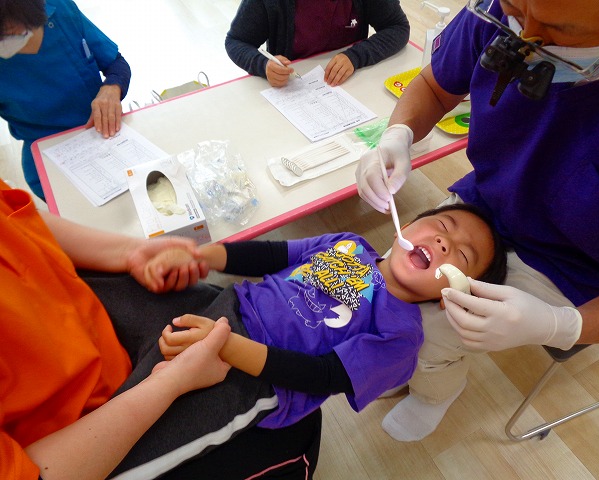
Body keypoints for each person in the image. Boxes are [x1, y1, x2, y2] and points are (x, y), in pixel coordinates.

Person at [355, 0, 599, 442]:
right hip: (486, 202)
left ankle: (434, 392)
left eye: (559, 29)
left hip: (574, 266)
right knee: (390, 280)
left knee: (431, 329)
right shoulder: (499, 13)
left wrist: (563, 326)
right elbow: (435, 85)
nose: (523, 35)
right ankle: (399, 358)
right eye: (514, 11)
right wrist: (399, 134)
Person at [0, 177, 324, 480]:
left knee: (262, 359)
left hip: (89, 324)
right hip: (76, 440)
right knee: (291, 415)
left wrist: (130, 252)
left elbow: (17, 217)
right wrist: (173, 381)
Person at [138, 203, 507, 451]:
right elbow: (272, 255)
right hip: (227, 310)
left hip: (258, 383)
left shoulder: (402, 338)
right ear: (405, 227)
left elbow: (322, 376)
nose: (444, 242)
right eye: (443, 226)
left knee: (147, 431)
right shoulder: (348, 244)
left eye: (462, 255)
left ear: (450, 296)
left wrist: (225, 346)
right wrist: (199, 255)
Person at [0, 0, 131, 200]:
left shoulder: (59, 8)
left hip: (103, 130)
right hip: (46, 152)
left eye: (17, 33)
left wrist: (112, 87)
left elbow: (116, 63)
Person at [225, 0, 410, 87]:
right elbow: (236, 41)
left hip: (351, 85)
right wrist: (263, 65)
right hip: (292, 89)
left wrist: (356, 56)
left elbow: (398, 26)